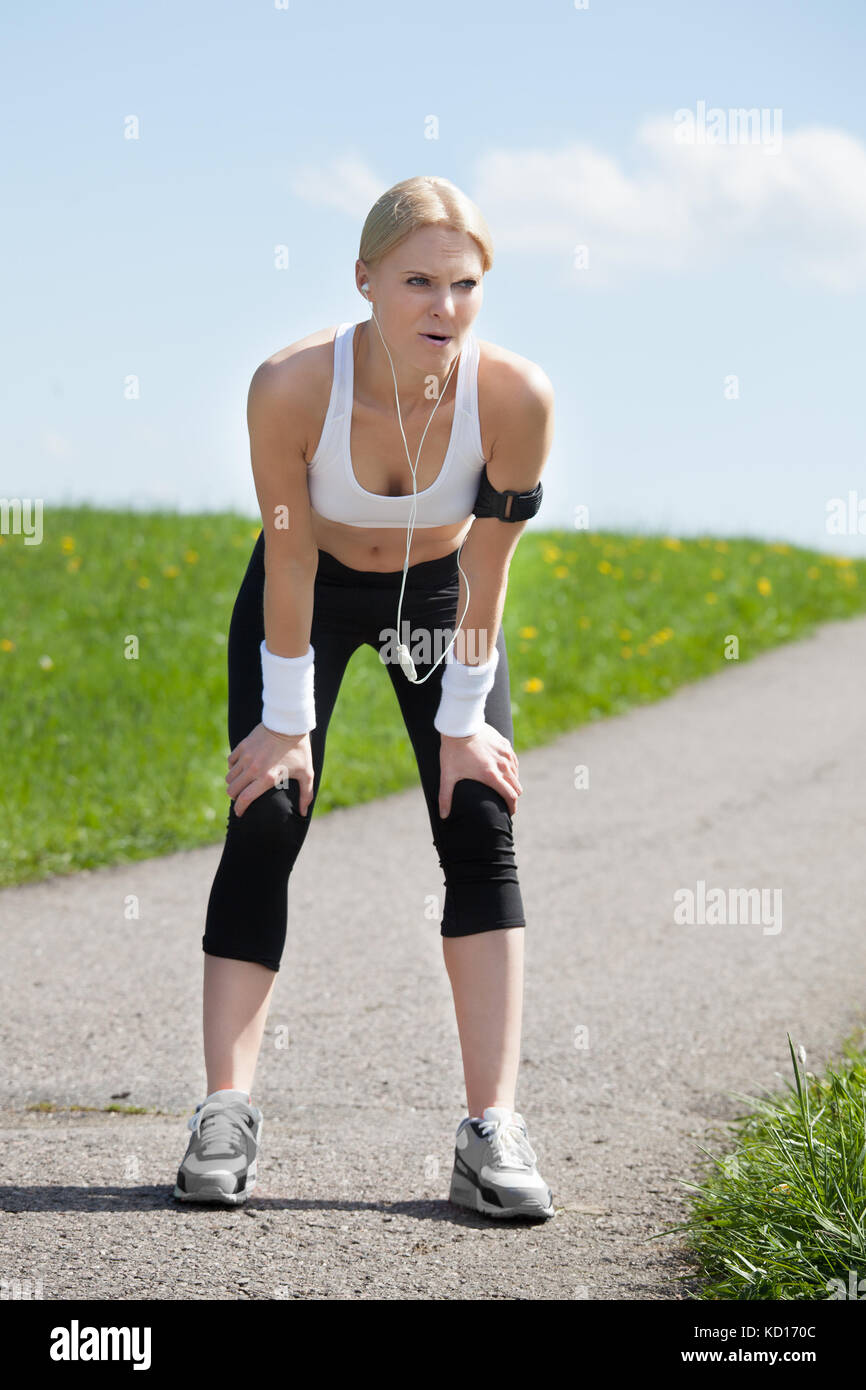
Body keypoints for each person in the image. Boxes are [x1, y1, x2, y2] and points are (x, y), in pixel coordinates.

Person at [173, 175, 555, 1220]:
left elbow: (487, 570)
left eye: (464, 284)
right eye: (418, 281)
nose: (443, 306)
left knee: (478, 813)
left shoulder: (513, 398)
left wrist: (463, 723)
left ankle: (490, 1130)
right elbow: (288, 562)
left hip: (439, 592)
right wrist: (285, 724)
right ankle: (224, 1111)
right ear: (364, 281)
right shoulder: (291, 386)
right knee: (269, 809)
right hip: (311, 590)